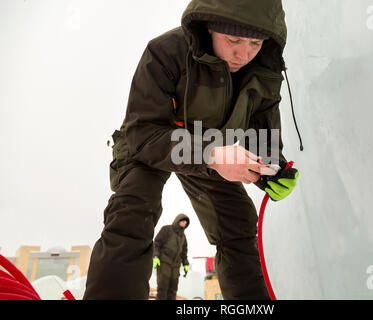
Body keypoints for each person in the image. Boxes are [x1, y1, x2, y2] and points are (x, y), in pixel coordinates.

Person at [83, 0, 300, 300]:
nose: (243, 54)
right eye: (233, 40)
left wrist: (270, 170)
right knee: (133, 210)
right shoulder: (165, 53)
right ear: (209, 26)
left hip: (211, 151)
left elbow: (261, 132)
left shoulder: (261, 71)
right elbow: (143, 133)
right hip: (153, 143)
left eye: (255, 42)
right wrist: (210, 154)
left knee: (238, 224)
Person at [152, 214, 190, 300]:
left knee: (173, 289)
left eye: (186, 222)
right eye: (183, 221)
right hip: (164, 262)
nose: (184, 223)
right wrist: (156, 256)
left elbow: (184, 252)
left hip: (175, 266)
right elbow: (157, 243)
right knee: (163, 287)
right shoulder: (167, 229)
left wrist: (185, 264)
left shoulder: (183, 237)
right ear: (178, 220)